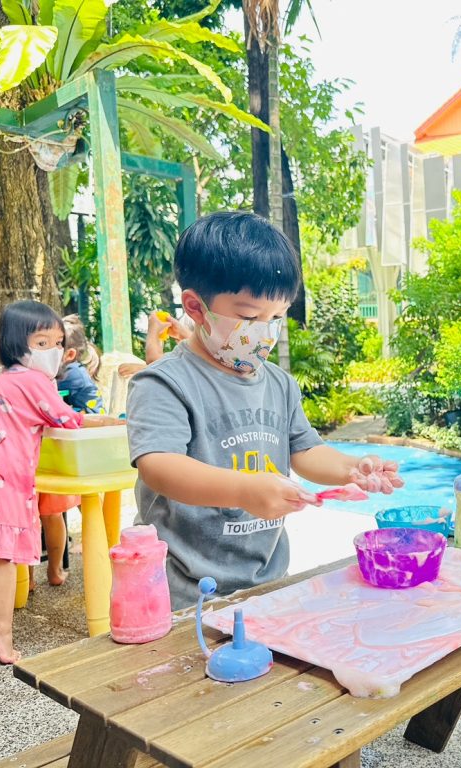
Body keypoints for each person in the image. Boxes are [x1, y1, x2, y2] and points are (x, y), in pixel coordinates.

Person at [127, 212, 403, 609]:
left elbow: (305, 449)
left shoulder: (278, 383)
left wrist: (350, 468)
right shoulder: (164, 382)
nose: (265, 331)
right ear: (196, 307)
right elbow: (159, 466)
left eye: (276, 317)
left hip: (266, 582)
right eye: (249, 317)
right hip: (182, 592)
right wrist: (244, 489)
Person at [0, 301, 115, 663]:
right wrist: (110, 421)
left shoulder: (4, 378)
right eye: (42, 343)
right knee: (5, 556)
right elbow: (65, 419)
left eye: (57, 343)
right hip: (5, 476)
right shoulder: (34, 380)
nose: (53, 351)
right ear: (15, 344)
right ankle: (0, 630)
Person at [32, 315, 106, 588]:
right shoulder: (59, 373)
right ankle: (51, 570)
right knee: (53, 512)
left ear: (69, 353)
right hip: (67, 440)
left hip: (81, 440)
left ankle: (64, 562)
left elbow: (56, 411)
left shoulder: (69, 374)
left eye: (51, 345)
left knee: (61, 508)